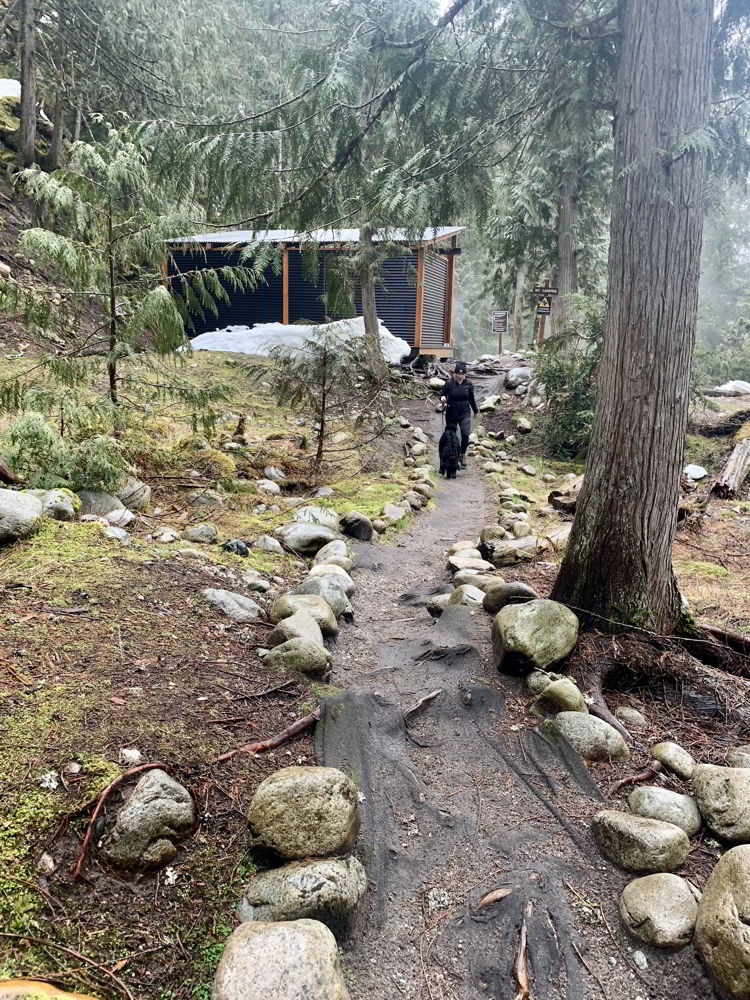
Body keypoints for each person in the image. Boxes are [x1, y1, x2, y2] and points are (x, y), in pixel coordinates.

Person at [440, 361, 478, 466]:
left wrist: (475, 411)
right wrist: (442, 398)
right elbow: (442, 394)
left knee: (465, 434)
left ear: (465, 374)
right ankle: (449, 456)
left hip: (464, 413)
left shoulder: (469, 385)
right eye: (458, 374)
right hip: (451, 413)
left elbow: (471, 399)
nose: (460, 376)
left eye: (462, 374)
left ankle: (462, 455)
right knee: (450, 436)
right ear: (454, 374)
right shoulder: (449, 384)